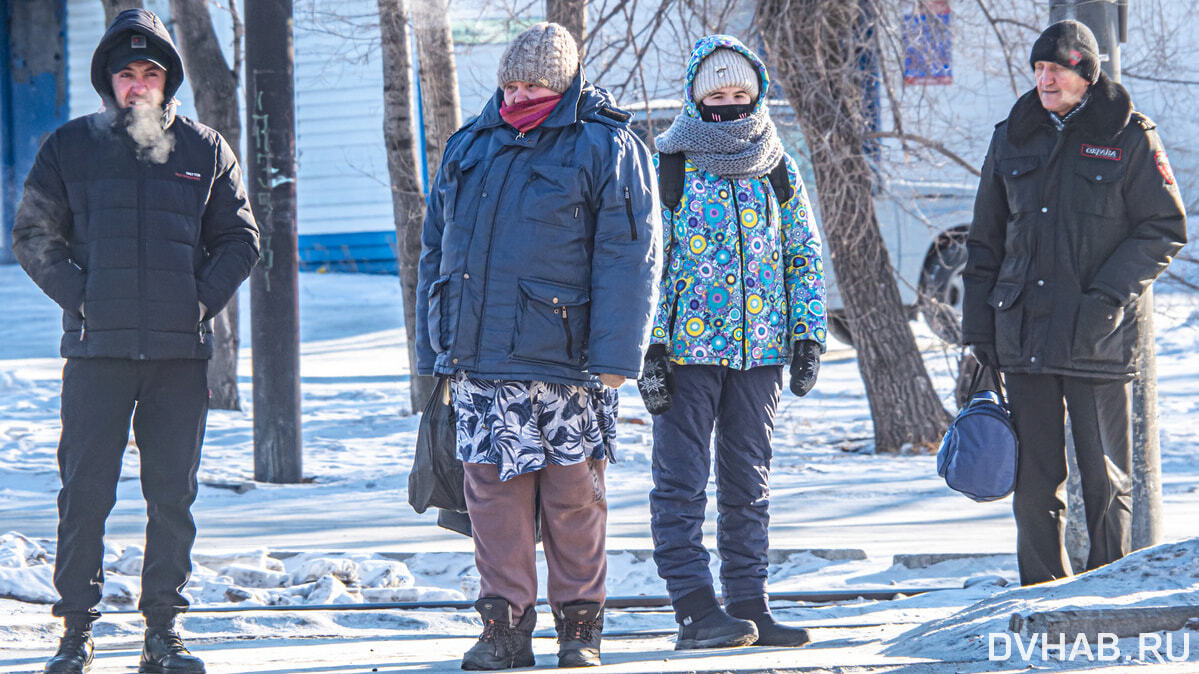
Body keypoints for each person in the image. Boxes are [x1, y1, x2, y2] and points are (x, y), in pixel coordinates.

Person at [12, 9, 259, 674]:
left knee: (171, 497)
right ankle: (74, 634)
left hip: (179, 359)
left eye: (151, 71)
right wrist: (83, 297)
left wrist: (199, 301)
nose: (139, 83)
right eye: (127, 73)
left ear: (167, 79)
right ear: (109, 81)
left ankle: (163, 633)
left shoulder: (204, 149)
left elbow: (240, 239)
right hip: (98, 355)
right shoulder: (71, 147)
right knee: (84, 494)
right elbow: (34, 235)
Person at [414, 22, 659, 670]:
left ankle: (580, 630)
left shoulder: (606, 145)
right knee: (491, 503)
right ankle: (505, 630)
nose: (519, 95)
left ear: (565, 83)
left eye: (535, 85)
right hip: (478, 363)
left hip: (568, 365)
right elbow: (433, 252)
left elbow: (629, 256)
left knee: (573, 500)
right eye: (510, 83)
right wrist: (430, 353)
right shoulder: (468, 146)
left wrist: (615, 358)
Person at [962, 20, 1186, 586]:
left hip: (1097, 333)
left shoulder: (1130, 134)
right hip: (1024, 333)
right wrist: (978, 331)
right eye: (1038, 70)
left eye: (1055, 70)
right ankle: (1040, 591)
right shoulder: (1011, 135)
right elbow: (985, 241)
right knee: (1035, 478)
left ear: (1086, 73)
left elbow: (1163, 227)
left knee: (1104, 479)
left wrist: (1107, 298)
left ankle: (1106, 589)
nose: (1044, 80)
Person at [637, 35, 826, 650]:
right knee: (681, 483)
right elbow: (651, 263)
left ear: (757, 95)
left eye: (740, 93)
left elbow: (802, 252)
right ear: (696, 98)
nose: (728, 104)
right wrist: (652, 350)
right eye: (715, 94)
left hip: (761, 352)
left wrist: (807, 335)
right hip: (687, 354)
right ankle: (694, 608)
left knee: (750, 483)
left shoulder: (776, 164)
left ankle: (749, 605)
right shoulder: (669, 161)